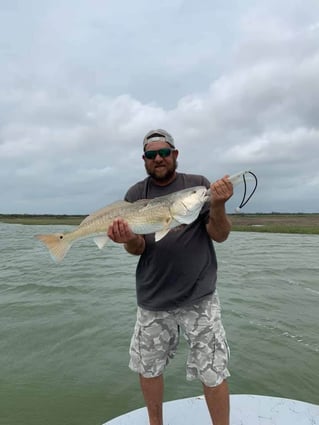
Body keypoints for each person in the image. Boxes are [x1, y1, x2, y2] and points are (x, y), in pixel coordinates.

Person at [107, 129, 233, 425]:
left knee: (213, 369)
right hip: (153, 298)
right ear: (144, 160)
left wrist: (217, 204)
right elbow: (138, 248)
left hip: (199, 296)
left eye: (164, 152)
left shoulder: (198, 186)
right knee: (148, 369)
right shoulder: (136, 194)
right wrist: (126, 238)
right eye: (151, 155)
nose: (158, 158)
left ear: (175, 154)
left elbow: (220, 234)